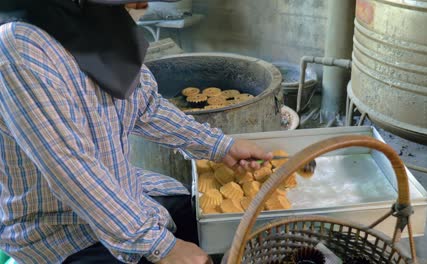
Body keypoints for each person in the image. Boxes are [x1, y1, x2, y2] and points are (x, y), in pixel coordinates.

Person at [0, 1, 272, 263]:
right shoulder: (21, 47)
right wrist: (161, 247)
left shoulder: (99, 26)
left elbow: (147, 107)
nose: (142, 6)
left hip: (123, 191)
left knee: (200, 224)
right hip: (60, 229)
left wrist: (220, 146)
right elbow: (69, 165)